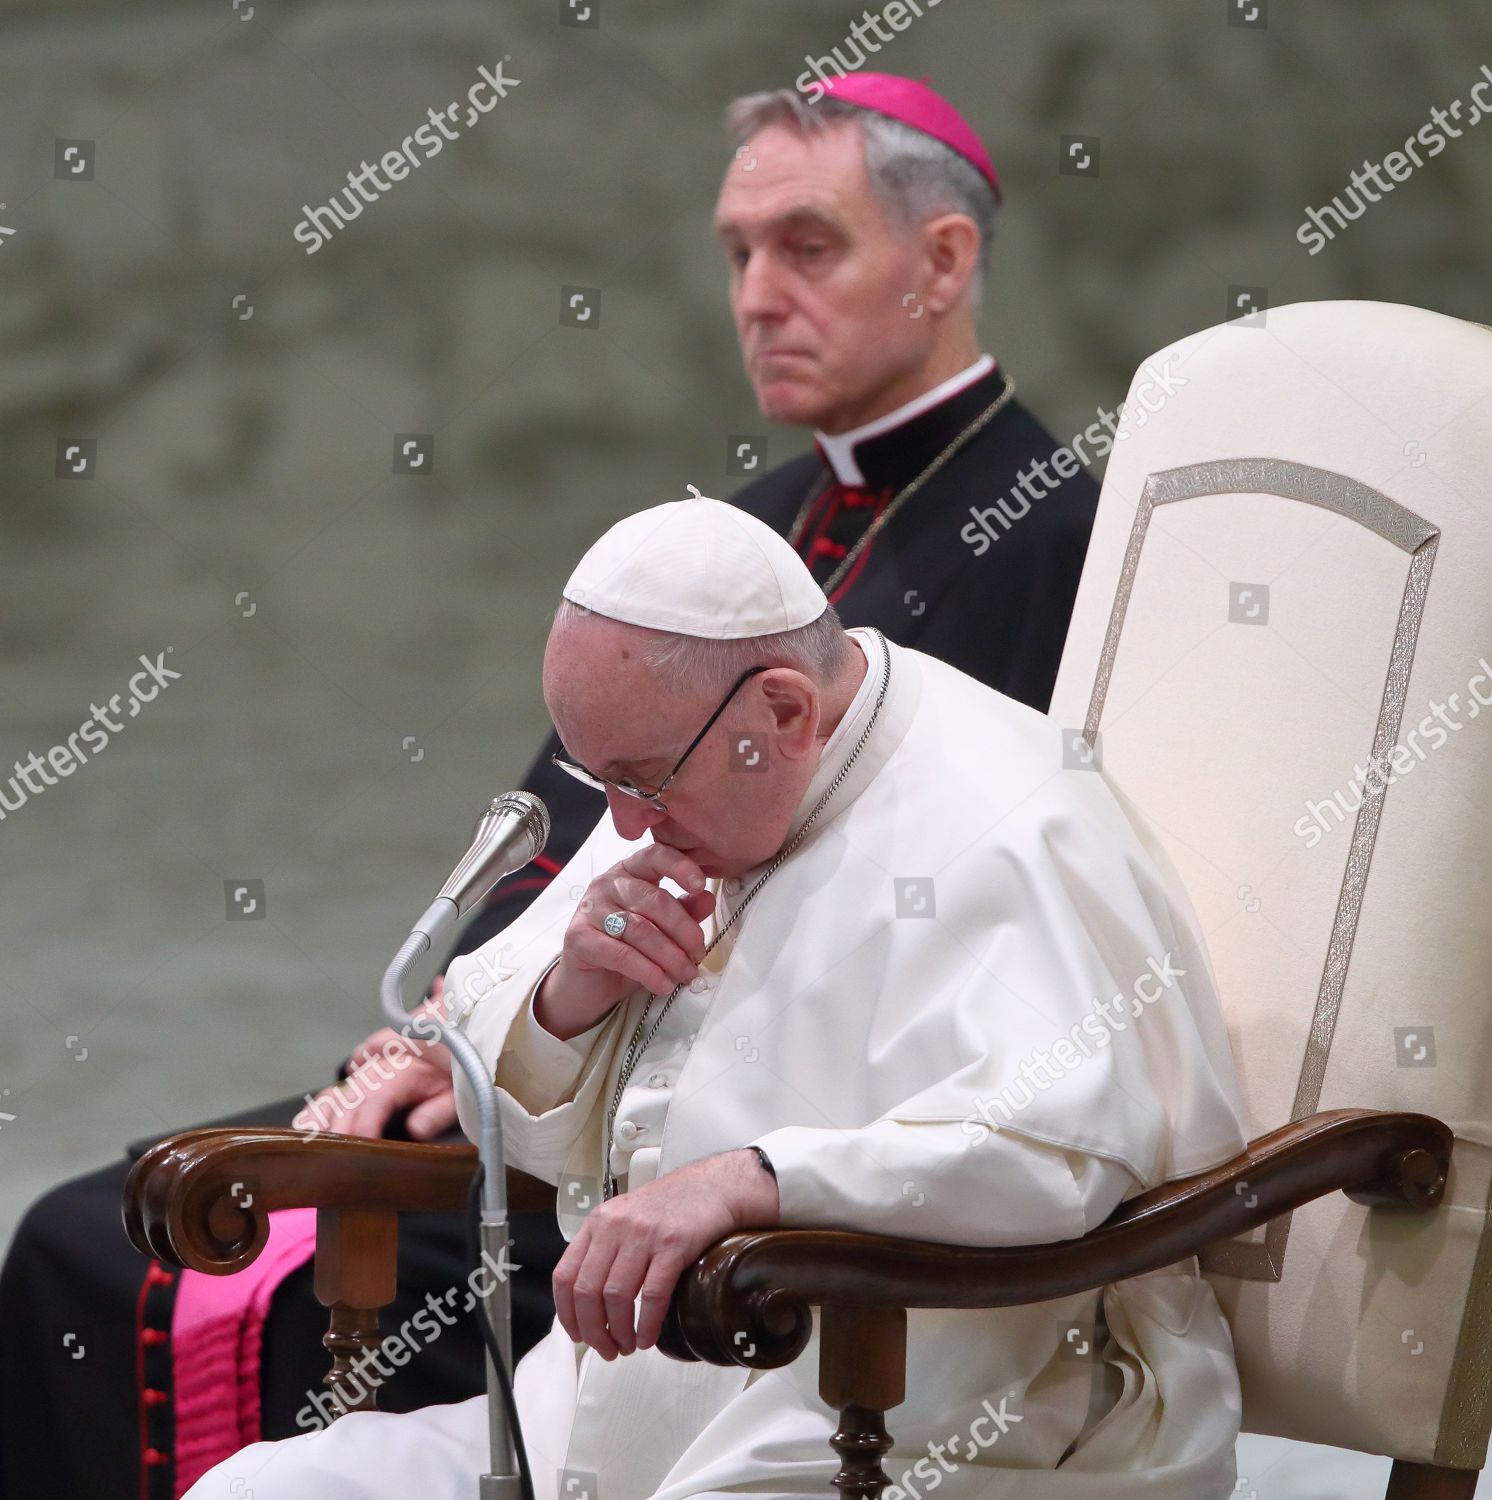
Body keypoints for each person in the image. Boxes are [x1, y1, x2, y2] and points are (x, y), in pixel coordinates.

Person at [0, 74, 1101, 1500]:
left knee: (219, 1284)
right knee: (88, 1236)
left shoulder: (1061, 535)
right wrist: (450, 1032)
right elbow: (558, 829)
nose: (758, 294)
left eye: (807, 246)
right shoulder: (739, 528)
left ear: (944, 260)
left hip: (740, 1134)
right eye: (737, 253)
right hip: (559, 1056)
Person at [186, 493, 1249, 1499]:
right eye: (600, 784)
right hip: (614, 1407)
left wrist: (754, 1182)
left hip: (920, 1418)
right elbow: (510, 1112)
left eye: (640, 784)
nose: (627, 825)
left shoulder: (1010, 823)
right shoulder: (697, 752)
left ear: (783, 709)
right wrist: (576, 993)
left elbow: (1057, 1158)